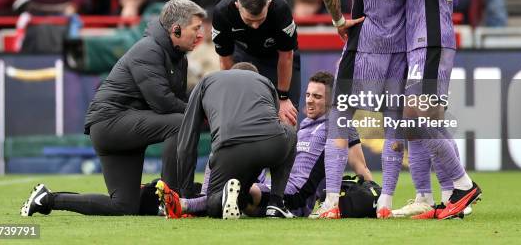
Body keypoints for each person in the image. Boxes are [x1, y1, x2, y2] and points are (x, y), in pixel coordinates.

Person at [349, 0, 482, 220]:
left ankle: (462, 185)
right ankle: (450, 196)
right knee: (422, 120)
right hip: (423, 43)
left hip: (432, 40)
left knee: (418, 119)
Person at [21, 0, 206, 217]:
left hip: (118, 125)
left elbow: (176, 100)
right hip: (110, 123)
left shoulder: (178, 58)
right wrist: (201, 113)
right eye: (195, 28)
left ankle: (47, 199)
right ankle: (173, 198)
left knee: (123, 206)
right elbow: (163, 103)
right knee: (179, 123)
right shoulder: (149, 50)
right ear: (176, 30)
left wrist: (202, 108)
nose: (200, 34)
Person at [316, 0, 410, 219]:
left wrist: (339, 20)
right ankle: (385, 202)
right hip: (401, 47)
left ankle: (330, 204)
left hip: (365, 43)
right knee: (395, 124)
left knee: (340, 119)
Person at [160, 71, 375, 218]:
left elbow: (361, 167)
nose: (309, 100)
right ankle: (192, 201)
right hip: (273, 188)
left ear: (331, 100)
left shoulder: (338, 125)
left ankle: (186, 203)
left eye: (317, 97)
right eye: (308, 95)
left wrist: (374, 195)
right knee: (240, 188)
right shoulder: (304, 126)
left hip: (296, 197)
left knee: (243, 189)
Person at [160, 62, 297, 219]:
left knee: (213, 201)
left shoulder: (207, 81)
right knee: (290, 132)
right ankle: (276, 203)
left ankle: (217, 198)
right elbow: (275, 122)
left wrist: (187, 193)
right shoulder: (265, 82)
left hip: (228, 148)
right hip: (269, 145)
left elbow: (187, 142)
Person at [211, 0, 300, 125]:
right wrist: (234, 95)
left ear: (268, 5)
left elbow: (286, 56)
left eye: (260, 19)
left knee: (287, 118)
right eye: (249, 20)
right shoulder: (222, 12)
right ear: (237, 6)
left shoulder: (280, 7)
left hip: (278, 58)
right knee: (240, 115)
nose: (255, 26)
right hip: (244, 58)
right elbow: (225, 59)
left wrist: (283, 98)